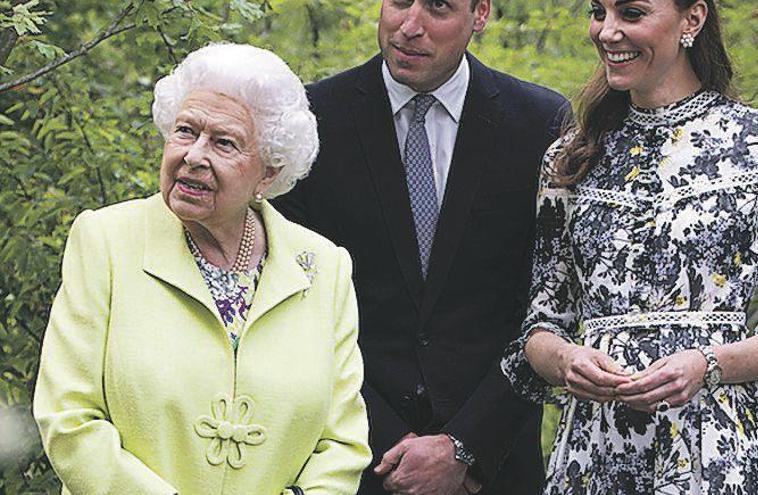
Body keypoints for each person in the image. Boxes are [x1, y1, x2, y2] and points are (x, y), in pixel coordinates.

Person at [500, 0, 758, 493]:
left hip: (717, 449)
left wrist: (709, 365)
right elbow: (541, 325)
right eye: (599, 12)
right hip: (596, 451)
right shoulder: (570, 157)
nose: (608, 32)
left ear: (692, 20)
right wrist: (566, 361)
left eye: (631, 14)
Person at [33, 43, 371, 495]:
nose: (193, 155)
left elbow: (342, 443)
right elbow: (69, 418)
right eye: (185, 131)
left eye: (223, 142)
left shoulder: (324, 268)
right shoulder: (106, 240)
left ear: (268, 174)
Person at [271, 0, 568, 493]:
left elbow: (550, 304)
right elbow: (291, 302)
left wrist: (465, 447)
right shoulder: (313, 119)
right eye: (398, 2)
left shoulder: (540, 122)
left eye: (437, 7)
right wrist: (387, 441)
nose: (409, 26)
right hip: (348, 460)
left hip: (494, 466)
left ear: (481, 13)